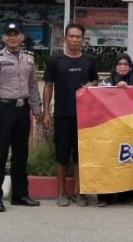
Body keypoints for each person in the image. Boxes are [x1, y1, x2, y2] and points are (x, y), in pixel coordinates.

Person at [0, 21, 43, 213]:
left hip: (22, 110)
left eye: (16, 34)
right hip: (3, 110)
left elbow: (33, 85)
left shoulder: (29, 59)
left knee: (20, 154)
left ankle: (19, 195)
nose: (12, 37)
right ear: (3, 38)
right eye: (8, 34)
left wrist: (37, 108)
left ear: (22, 37)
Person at [42, 23, 99, 207]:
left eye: (78, 37)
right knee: (62, 155)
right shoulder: (55, 60)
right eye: (71, 36)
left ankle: (78, 192)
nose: (74, 40)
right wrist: (46, 113)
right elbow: (48, 86)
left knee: (80, 156)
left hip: (84, 117)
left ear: (83, 39)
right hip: (62, 115)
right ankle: (61, 192)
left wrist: (93, 84)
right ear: (65, 38)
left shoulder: (89, 61)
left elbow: (95, 81)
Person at [96, 54, 133, 206]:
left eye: (126, 64)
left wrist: (129, 90)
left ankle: (126, 194)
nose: (122, 66)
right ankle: (104, 196)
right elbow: (98, 101)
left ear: (130, 67)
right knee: (108, 161)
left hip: (129, 129)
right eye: (119, 64)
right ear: (115, 67)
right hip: (109, 129)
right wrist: (116, 89)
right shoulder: (106, 83)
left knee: (128, 161)